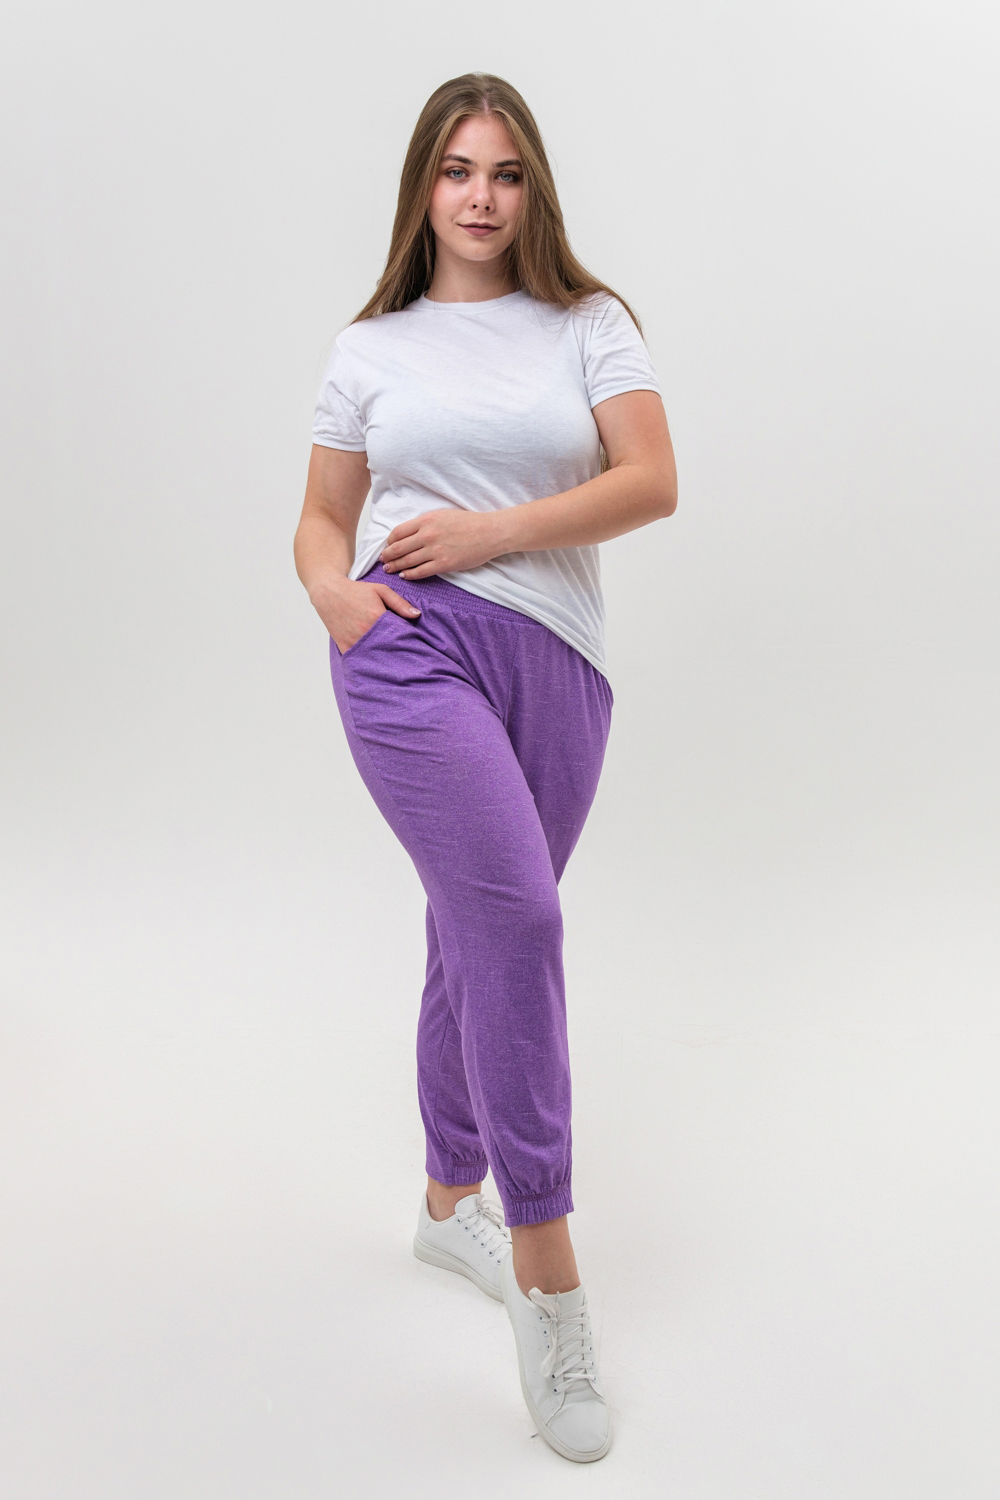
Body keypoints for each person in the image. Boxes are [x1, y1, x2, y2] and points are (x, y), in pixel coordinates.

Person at [294, 72, 677, 1464]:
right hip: (407, 651)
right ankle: (547, 1273)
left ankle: (448, 1196)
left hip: (560, 664)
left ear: (534, 190)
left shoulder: (589, 324)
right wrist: (337, 599)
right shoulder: (371, 346)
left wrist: (489, 533)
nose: (480, 196)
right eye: (457, 170)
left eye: (506, 173)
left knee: (477, 927)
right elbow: (321, 516)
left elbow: (651, 481)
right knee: (517, 918)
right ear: (423, 186)